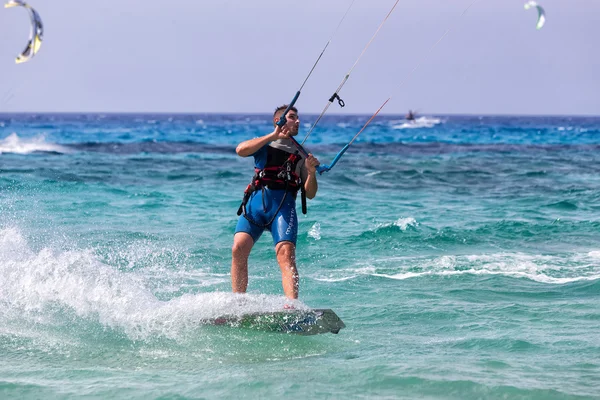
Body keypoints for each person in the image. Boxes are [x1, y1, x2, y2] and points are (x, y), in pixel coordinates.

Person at [231, 105, 320, 300]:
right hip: (256, 205)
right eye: (292, 117)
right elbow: (240, 150)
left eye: (298, 118)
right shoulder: (264, 143)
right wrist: (272, 136)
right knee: (238, 249)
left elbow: (310, 193)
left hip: (283, 208)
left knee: (286, 254)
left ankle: (292, 306)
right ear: (278, 120)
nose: (297, 121)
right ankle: (238, 303)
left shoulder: (303, 154)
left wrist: (311, 173)